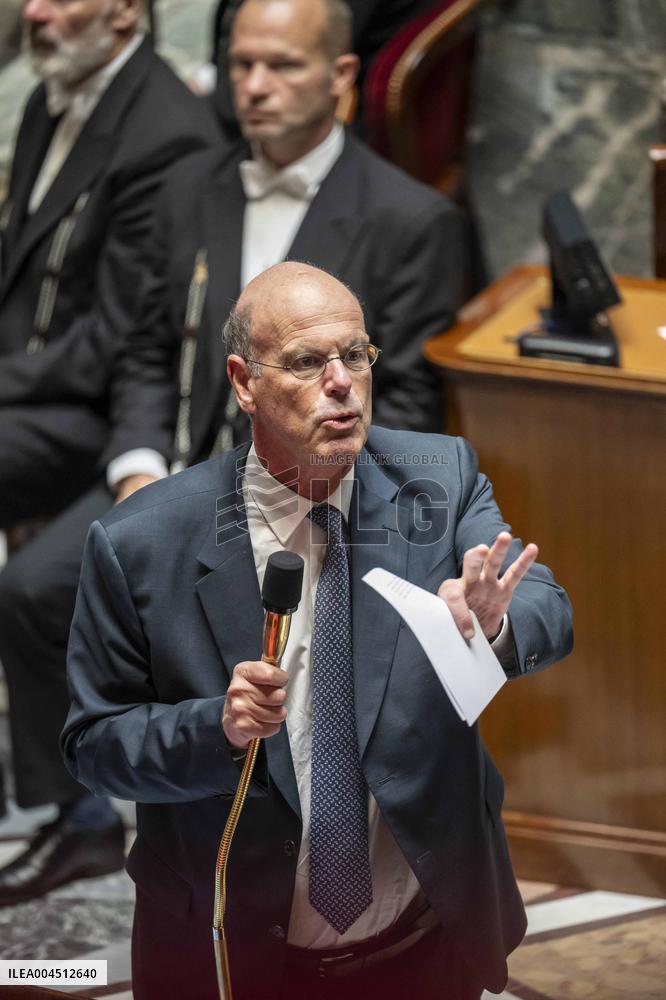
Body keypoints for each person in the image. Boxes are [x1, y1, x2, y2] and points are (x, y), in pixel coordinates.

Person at [63, 262, 573, 1000]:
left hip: (425, 946)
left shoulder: (438, 475)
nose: (341, 382)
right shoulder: (141, 542)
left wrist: (492, 623)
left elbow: (546, 610)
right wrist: (219, 729)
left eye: (356, 355)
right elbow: (94, 746)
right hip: (231, 958)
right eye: (306, 362)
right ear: (244, 383)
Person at [0, 0, 217, 902]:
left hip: (94, 410)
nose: (36, 11)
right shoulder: (54, 91)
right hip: (34, 386)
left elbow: (118, 336)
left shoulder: (166, 132)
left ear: (128, 9)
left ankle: (81, 816)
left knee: (32, 585)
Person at [105, 0, 465, 504]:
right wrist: (138, 469)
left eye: (283, 65)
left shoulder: (411, 222)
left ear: (340, 75)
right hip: (171, 479)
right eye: (242, 64)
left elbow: (402, 411)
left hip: (310, 501)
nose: (254, 86)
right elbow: (147, 352)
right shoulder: (185, 187)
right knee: (30, 584)